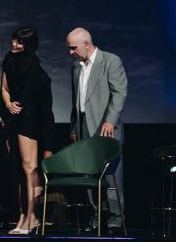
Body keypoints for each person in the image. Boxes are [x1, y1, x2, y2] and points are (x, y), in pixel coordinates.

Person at [67, 27, 128, 232]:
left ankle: (115, 220)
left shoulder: (110, 61)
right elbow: (76, 100)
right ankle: (96, 218)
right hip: (84, 125)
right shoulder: (76, 67)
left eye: (73, 48)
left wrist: (110, 121)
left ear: (86, 43)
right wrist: (75, 127)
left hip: (105, 126)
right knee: (89, 174)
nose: (71, 52)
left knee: (111, 176)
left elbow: (119, 93)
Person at [0, 27, 53, 235]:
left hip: (30, 118)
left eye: (19, 42)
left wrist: (16, 105)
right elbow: (4, 87)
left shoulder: (34, 66)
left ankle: (32, 216)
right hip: (14, 117)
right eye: (13, 39)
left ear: (28, 45)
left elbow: (35, 99)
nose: (14, 44)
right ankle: (22, 216)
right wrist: (8, 104)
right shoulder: (9, 59)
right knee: (19, 170)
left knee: (30, 168)